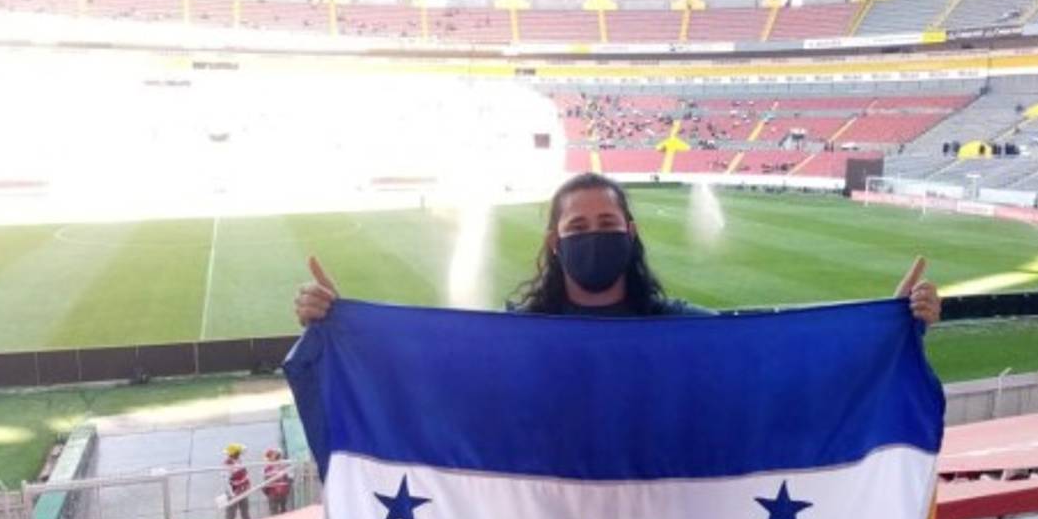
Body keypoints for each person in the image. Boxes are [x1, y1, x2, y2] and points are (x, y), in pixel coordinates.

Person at [294, 173, 940, 324]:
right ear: (554, 242)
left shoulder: (678, 326)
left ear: (630, 232)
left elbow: (778, 366)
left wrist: (886, 325)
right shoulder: (519, 334)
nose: (593, 235)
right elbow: (429, 386)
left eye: (607, 222)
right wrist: (344, 327)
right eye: (577, 229)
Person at [224, 443, 251, 519]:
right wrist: (231, 493)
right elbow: (225, 479)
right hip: (234, 491)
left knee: (245, 511)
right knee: (231, 513)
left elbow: (245, 449)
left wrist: (247, 485)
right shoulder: (228, 463)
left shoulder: (239, 460)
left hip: (243, 489)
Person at [263, 447, 292, 515]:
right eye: (272, 455)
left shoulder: (282, 465)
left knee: (282, 509)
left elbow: (287, 477)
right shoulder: (268, 467)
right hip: (273, 492)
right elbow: (267, 479)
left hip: (282, 491)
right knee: (274, 510)